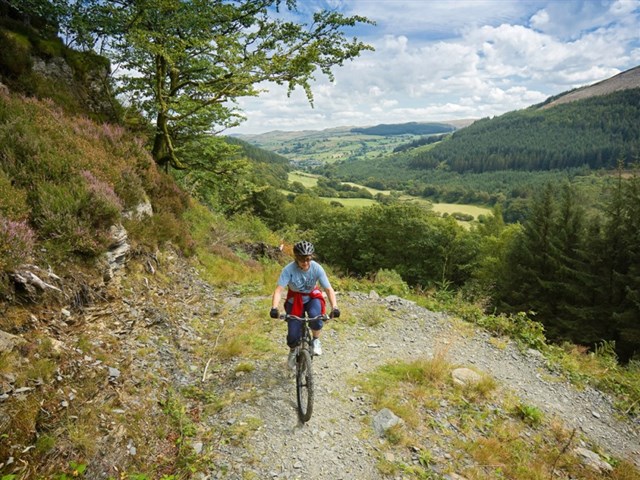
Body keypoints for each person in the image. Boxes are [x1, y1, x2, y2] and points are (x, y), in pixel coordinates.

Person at [270, 240, 340, 369]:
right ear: (296, 258)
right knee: (293, 334)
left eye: (308, 259)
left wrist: (334, 307)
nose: (305, 263)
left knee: (316, 317)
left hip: (312, 297)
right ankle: (292, 351)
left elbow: (328, 289)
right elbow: (279, 290)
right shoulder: (288, 270)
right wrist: (274, 307)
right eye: (302, 259)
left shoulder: (316, 268)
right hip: (295, 299)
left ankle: (315, 340)